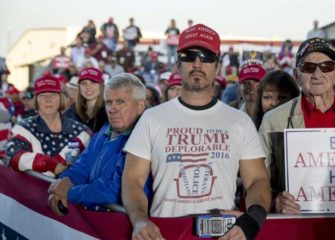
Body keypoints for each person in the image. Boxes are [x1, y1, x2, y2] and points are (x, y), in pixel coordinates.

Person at [121, 23, 271, 240]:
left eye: (207, 56)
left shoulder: (240, 121)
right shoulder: (152, 118)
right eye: (190, 56)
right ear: (178, 64)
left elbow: (257, 179)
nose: (198, 63)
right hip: (164, 234)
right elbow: (132, 180)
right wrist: (139, 220)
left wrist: (253, 220)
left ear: (218, 65)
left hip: (223, 234)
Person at [258, 38, 335, 214]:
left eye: (326, 66)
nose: (317, 74)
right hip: (298, 226)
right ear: (297, 76)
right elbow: (256, 180)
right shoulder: (273, 121)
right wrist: (274, 200)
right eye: (308, 67)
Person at [47, 73, 151, 214]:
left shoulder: (147, 137)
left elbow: (116, 190)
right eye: (108, 102)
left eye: (120, 102)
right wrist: (63, 184)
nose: (112, 109)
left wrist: (70, 192)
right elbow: (82, 166)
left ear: (140, 106)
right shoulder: (104, 131)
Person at [6, 75, 91, 176]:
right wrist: (47, 163)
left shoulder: (81, 131)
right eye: (42, 95)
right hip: (32, 190)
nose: (48, 99)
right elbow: (12, 157)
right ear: (36, 101)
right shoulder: (24, 127)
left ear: (61, 99)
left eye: (53, 95)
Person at [64, 67, 108, 133]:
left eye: (93, 82)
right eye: (83, 83)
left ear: (101, 86)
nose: (88, 87)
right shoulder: (72, 110)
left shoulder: (109, 111)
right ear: (79, 87)